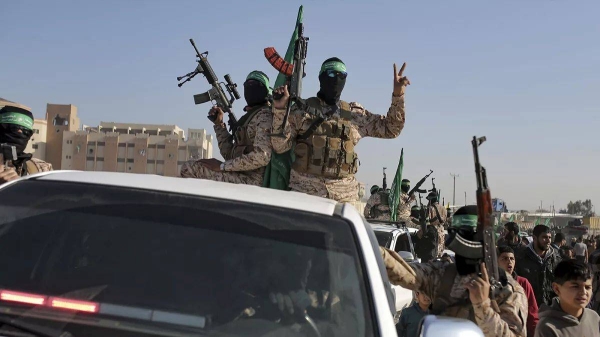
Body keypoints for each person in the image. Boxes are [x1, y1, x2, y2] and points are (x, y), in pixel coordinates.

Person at [270, 59, 409, 204]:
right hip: (305, 194)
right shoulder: (301, 110)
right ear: (321, 77)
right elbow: (279, 146)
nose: (336, 79)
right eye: (331, 74)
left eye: (341, 75)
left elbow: (391, 129)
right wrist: (280, 110)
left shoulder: (355, 114)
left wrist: (398, 95)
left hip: (344, 198)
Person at [380, 205, 528, 337]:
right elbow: (404, 272)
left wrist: (483, 306)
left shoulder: (508, 289)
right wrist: (371, 249)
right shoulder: (442, 275)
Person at [180, 71, 273, 185]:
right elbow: (229, 154)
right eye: (247, 85)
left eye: (255, 85)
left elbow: (262, 156)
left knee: (189, 169)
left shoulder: (265, 116)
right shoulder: (248, 118)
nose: (250, 87)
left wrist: (223, 166)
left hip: (252, 180)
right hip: (238, 173)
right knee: (195, 164)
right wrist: (219, 125)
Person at [535, 260, 600, 337]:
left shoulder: (594, 317)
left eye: (587, 287)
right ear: (556, 289)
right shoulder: (548, 327)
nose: (583, 292)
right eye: (575, 286)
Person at [0, 99, 52, 185]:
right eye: (13, 128)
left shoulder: (41, 169)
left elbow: (52, 196)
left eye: (26, 132)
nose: (19, 133)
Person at [515, 224, 562, 307]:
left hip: (551, 308)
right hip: (528, 306)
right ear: (534, 238)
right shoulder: (521, 257)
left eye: (549, 237)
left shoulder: (556, 257)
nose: (548, 241)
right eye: (544, 237)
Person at [498, 246, 539, 337]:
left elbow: (533, 313)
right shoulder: (492, 283)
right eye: (504, 258)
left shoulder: (523, 283)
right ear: (496, 262)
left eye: (512, 259)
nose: (509, 262)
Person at [426, 191, 447, 258]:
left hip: (434, 231)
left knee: (434, 251)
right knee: (440, 250)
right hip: (442, 230)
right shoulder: (443, 208)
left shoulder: (430, 208)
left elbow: (428, 220)